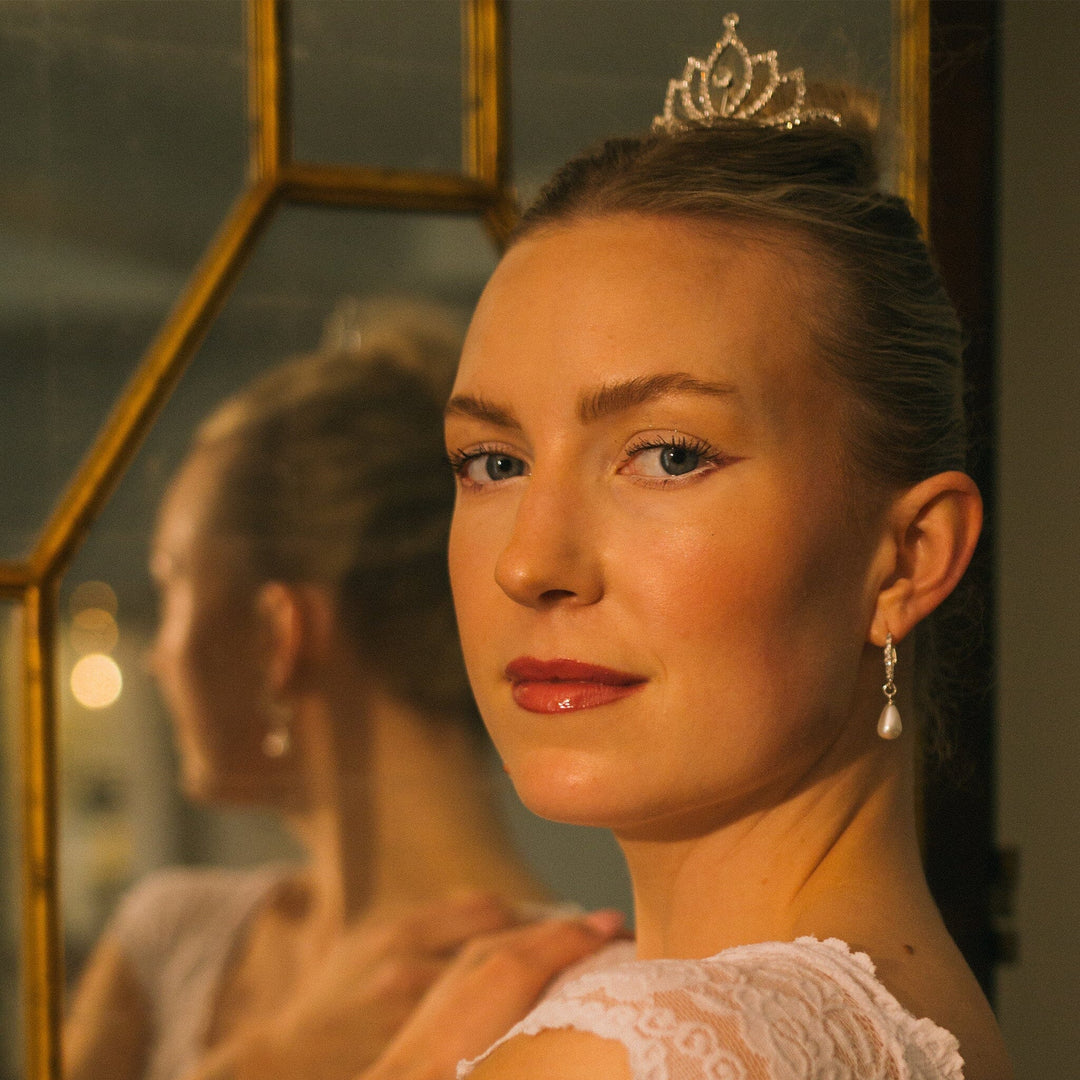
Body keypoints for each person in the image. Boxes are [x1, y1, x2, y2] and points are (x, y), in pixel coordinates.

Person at [351, 18, 1013, 1080]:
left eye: (667, 456)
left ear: (908, 557)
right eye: (493, 462)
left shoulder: (641, 1052)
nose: (530, 563)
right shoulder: (896, 1017)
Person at [62, 299, 560, 1080]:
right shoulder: (169, 937)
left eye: (173, 583)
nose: (158, 658)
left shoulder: (576, 1001)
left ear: (277, 634)